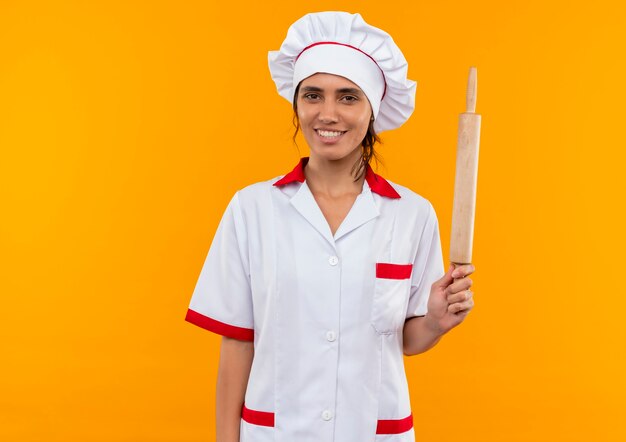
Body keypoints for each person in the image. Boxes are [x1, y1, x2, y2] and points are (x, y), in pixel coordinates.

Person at [185, 11, 475, 442]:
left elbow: (405, 341)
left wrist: (433, 321)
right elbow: (237, 342)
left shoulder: (412, 214)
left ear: (373, 109)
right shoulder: (252, 209)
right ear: (296, 102)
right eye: (313, 95)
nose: (327, 113)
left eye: (348, 97)